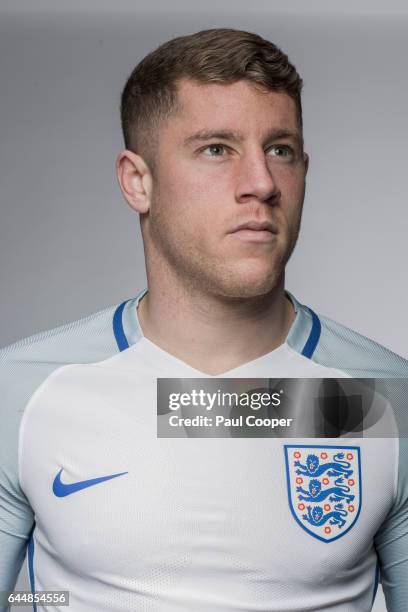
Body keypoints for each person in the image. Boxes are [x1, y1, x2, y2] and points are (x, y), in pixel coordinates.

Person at [0, 27, 407, 612]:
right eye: (217, 149)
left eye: (280, 149)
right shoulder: (25, 390)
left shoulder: (389, 399)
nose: (262, 184)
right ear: (138, 181)